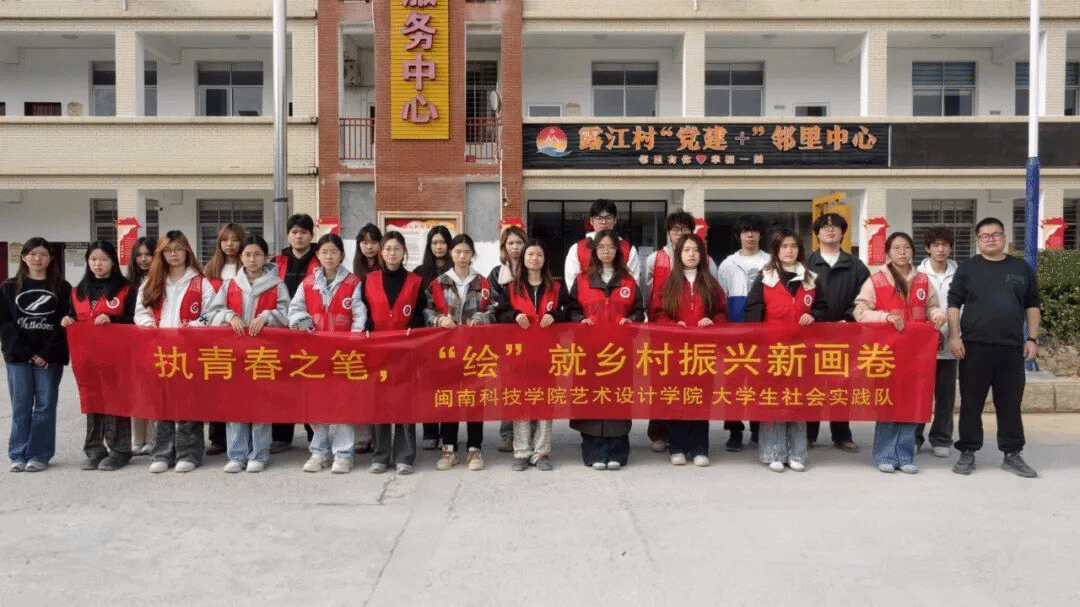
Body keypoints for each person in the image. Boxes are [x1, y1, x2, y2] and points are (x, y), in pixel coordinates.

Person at [947, 217, 1041, 478]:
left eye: (996, 234)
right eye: (985, 236)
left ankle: (1012, 453)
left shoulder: (1020, 268)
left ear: (1004, 238)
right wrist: (954, 337)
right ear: (978, 241)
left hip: (1011, 348)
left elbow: (1032, 305)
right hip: (974, 347)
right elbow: (953, 304)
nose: (991, 239)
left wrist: (1032, 339)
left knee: (1010, 403)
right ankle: (968, 451)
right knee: (971, 403)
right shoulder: (968, 268)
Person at [854, 232, 945, 474]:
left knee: (911, 403)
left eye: (906, 248)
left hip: (917, 353)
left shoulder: (923, 280)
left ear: (913, 251)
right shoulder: (876, 280)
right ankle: (884, 454)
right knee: (887, 402)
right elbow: (860, 311)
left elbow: (932, 306)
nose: (902, 253)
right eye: (896, 248)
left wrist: (936, 315)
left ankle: (905, 455)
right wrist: (885, 317)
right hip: (887, 353)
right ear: (888, 252)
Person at [204, 235, 290, 473]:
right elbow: (211, 312)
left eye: (258, 255)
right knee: (235, 405)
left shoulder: (277, 285)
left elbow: (287, 313)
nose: (252, 259)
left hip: (264, 356)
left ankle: (259, 454)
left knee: (261, 406)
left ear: (266, 257)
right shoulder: (230, 284)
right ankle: (237, 455)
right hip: (234, 355)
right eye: (248, 255)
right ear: (240, 257)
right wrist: (229, 316)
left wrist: (268, 317)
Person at [134, 230, 216, 473]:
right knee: (162, 403)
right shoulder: (151, 282)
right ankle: (162, 453)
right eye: (168, 250)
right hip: (160, 352)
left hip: (190, 351)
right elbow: (141, 312)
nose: (173, 255)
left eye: (178, 249)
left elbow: (212, 313)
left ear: (187, 252)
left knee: (189, 403)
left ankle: (189, 453)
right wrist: (150, 327)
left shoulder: (200, 282)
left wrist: (194, 327)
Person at [743, 229, 823, 472]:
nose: (789, 251)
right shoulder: (765, 277)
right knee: (773, 400)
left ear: (800, 250)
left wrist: (814, 315)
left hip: (802, 351)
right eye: (784, 246)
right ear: (776, 251)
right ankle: (773, 452)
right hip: (772, 350)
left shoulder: (811, 278)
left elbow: (823, 307)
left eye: (794, 246)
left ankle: (797, 453)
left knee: (797, 400)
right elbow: (752, 310)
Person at [288, 234, 368, 474]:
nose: (329, 256)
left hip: (344, 354)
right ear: (318, 255)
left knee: (344, 404)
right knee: (317, 404)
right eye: (324, 252)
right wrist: (302, 322)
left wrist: (354, 342)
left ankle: (343, 454)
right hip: (314, 354)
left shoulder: (353, 282)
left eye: (333, 252)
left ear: (341, 255)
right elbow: (295, 308)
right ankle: (319, 452)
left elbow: (359, 315)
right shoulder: (308, 283)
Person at [640, 210, 716, 453]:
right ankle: (659, 434)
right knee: (663, 385)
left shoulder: (706, 262)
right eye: (675, 230)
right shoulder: (656, 258)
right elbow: (646, 292)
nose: (680, 234)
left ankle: (693, 441)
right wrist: (656, 322)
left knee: (695, 387)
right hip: (664, 333)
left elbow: (716, 299)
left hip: (699, 340)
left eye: (685, 229)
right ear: (668, 232)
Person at [568, 229, 644, 470]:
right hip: (590, 351)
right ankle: (594, 452)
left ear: (618, 251)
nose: (606, 251)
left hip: (619, 353)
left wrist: (632, 319)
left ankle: (617, 453)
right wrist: (580, 319)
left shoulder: (628, 281)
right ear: (594, 252)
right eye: (601, 247)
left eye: (611, 247)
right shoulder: (582, 280)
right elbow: (571, 309)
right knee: (592, 400)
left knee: (618, 400)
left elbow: (639, 310)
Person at [651, 233, 727, 467]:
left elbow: (722, 312)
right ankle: (677, 446)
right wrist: (673, 326)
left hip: (704, 351)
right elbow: (656, 313)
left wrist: (712, 321)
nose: (691, 254)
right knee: (678, 398)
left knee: (701, 398)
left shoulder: (711, 284)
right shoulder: (668, 284)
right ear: (678, 254)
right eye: (686, 250)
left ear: (702, 255)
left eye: (695, 250)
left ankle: (700, 447)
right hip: (676, 351)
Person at [60, 241, 135, 472]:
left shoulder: (126, 289)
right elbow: (72, 315)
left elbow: (135, 319)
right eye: (93, 259)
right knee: (91, 401)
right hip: (87, 358)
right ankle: (94, 450)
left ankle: (120, 450)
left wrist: (113, 319)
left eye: (103, 259)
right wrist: (68, 319)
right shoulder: (78, 291)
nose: (98, 264)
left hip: (116, 357)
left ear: (113, 262)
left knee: (115, 403)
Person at [425, 234, 496, 471]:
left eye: (466, 252)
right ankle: (449, 448)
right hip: (447, 351)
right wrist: (438, 319)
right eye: (458, 252)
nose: (462, 256)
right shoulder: (439, 283)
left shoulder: (483, 283)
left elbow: (496, 308)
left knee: (475, 398)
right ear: (451, 254)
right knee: (449, 398)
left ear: (472, 254)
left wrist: (483, 318)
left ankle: (475, 448)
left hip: (476, 351)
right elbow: (426, 310)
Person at [499, 239, 570, 472]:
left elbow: (569, 310)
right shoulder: (512, 288)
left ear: (544, 259)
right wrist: (513, 316)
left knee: (545, 403)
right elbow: (499, 312)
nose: (534, 259)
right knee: (521, 402)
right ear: (524, 258)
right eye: (530, 254)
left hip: (548, 355)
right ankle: (521, 451)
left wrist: (556, 316)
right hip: (519, 355)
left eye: (539, 255)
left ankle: (541, 452)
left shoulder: (556, 287)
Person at [2, 238, 71, 473]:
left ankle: (39, 455)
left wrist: (45, 353)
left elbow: (65, 324)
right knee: (20, 405)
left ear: (50, 258)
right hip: (18, 357)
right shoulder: (9, 287)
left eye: (43, 254)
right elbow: (5, 324)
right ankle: (18, 454)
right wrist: (26, 352)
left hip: (48, 358)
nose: (37, 258)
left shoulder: (62, 287)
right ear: (23, 257)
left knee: (45, 405)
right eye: (32, 254)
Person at [805, 212, 869, 453]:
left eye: (835, 227)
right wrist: (811, 316)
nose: (830, 230)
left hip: (844, 334)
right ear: (817, 233)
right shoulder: (806, 263)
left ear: (843, 233)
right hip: (812, 333)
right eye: (825, 226)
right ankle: (808, 434)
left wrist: (848, 318)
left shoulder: (856, 265)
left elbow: (865, 298)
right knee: (811, 386)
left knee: (841, 386)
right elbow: (797, 296)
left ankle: (842, 435)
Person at [365, 231, 426, 475]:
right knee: (378, 403)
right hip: (376, 351)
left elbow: (421, 312)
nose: (392, 253)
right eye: (388, 248)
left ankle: (404, 457)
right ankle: (380, 456)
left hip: (405, 351)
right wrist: (366, 328)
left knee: (404, 402)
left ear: (404, 253)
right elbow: (363, 311)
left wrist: (415, 328)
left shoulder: (415, 281)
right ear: (381, 252)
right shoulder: (369, 280)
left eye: (397, 249)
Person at [716, 214, 770, 451]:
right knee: (734, 382)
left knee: (760, 380)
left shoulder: (771, 262)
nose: (750, 235)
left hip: (763, 329)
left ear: (760, 234)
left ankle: (758, 428)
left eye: (754, 230)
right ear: (738, 236)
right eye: (745, 231)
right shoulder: (727, 264)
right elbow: (721, 298)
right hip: (734, 331)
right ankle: (734, 430)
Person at [270, 214, 318, 454]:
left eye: (304, 232)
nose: (299, 237)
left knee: (311, 382)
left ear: (311, 235)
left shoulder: (321, 258)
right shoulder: (276, 262)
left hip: (312, 332)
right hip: (281, 332)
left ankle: (314, 436)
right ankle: (281, 436)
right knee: (282, 384)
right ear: (288, 235)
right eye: (294, 232)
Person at [201, 223, 246, 457]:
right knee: (218, 388)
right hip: (218, 335)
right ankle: (218, 438)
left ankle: (244, 437)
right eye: (225, 240)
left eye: (235, 239)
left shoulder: (247, 266)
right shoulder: (210, 270)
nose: (230, 244)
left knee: (243, 388)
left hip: (244, 336)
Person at [916, 227, 959, 458]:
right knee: (919, 393)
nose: (941, 249)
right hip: (922, 345)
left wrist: (955, 336)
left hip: (951, 343)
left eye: (945, 245)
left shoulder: (960, 273)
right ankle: (914, 437)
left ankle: (941, 437)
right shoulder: (917, 274)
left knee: (946, 394)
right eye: (936, 245)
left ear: (950, 248)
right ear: (927, 248)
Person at [487, 224, 527, 453]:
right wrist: (512, 315)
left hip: (531, 335)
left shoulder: (534, 268)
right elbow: (493, 304)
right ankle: (508, 434)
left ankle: (529, 432)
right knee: (509, 385)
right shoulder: (496, 273)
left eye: (519, 243)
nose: (515, 247)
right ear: (504, 247)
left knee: (531, 383)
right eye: (510, 243)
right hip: (506, 336)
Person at [414, 225, 453, 451]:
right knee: (429, 385)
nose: (439, 247)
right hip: (427, 336)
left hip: (451, 337)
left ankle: (448, 432)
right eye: (435, 243)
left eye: (443, 242)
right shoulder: (420, 272)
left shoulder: (456, 269)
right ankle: (430, 431)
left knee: (448, 384)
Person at [351, 223, 383, 454]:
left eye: (373, 242)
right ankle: (363, 434)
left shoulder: (387, 268)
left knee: (380, 387)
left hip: (382, 335)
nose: (369, 247)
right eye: (365, 242)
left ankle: (381, 434)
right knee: (360, 386)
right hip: (360, 337)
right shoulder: (354, 274)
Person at [126, 236, 156, 456]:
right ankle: (137, 439)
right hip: (132, 345)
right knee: (136, 392)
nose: (144, 259)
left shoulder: (161, 280)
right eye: (139, 255)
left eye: (148, 254)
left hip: (154, 342)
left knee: (153, 391)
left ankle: (153, 438)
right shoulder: (126, 284)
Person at [564, 199, 640, 287]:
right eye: (599, 218)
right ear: (591, 221)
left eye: (608, 218)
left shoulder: (628, 249)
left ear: (615, 220)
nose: (604, 222)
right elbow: (572, 283)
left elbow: (634, 283)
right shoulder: (577, 249)